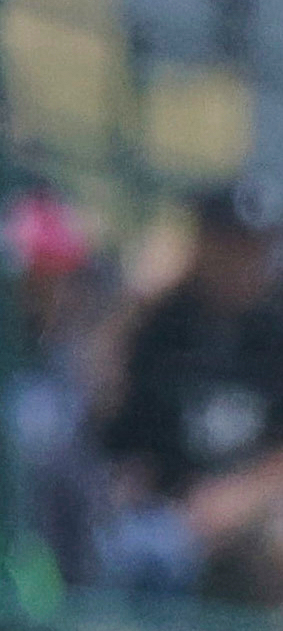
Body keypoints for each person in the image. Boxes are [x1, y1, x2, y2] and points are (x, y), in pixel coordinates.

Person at [97, 180, 283, 602]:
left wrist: (244, 495)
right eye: (226, 244)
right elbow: (111, 419)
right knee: (129, 546)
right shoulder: (162, 325)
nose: (238, 260)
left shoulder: (275, 329)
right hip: (169, 512)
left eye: (250, 246)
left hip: (258, 510)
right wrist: (131, 304)